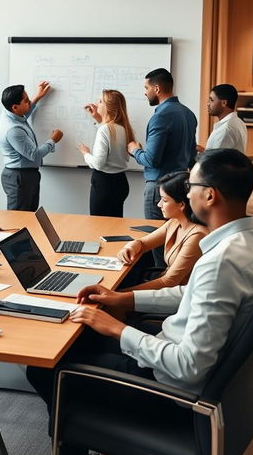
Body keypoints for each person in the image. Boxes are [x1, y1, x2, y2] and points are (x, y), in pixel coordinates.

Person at [26, 148, 253, 455]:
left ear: (210, 195)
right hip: (214, 379)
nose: (187, 193)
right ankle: (94, 427)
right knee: (83, 337)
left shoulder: (220, 262)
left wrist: (116, 328)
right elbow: (191, 296)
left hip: (172, 390)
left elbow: (189, 366)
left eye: (191, 184)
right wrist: (122, 299)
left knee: (47, 369)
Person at [127, 68, 197, 264]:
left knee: (158, 244)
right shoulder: (188, 114)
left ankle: (159, 283)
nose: (144, 92)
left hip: (160, 188)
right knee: (176, 241)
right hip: (182, 186)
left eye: (146, 87)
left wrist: (134, 150)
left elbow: (151, 160)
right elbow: (192, 156)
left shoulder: (161, 116)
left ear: (157, 88)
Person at [117, 171, 207, 291]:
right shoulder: (175, 222)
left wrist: (120, 295)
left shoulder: (197, 235)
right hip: (164, 286)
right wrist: (129, 247)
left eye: (164, 200)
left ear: (181, 204)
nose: (159, 205)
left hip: (177, 296)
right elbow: (143, 243)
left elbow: (169, 282)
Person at [0, 81, 63, 211]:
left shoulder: (9, 113)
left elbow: (24, 114)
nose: (29, 102)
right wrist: (52, 140)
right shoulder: (13, 130)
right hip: (19, 177)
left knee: (29, 216)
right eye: (26, 100)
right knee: (19, 219)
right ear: (15, 107)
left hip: (26, 175)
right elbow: (34, 154)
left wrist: (37, 97)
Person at [78, 89, 134, 217]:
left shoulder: (104, 130)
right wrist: (99, 120)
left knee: (98, 226)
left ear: (108, 107)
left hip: (104, 184)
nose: (97, 104)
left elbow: (98, 164)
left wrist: (85, 153)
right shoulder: (123, 128)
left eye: (100, 101)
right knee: (114, 226)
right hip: (120, 182)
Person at [198, 83, 247, 153]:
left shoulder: (226, 129)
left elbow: (215, 160)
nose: (208, 104)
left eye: (211, 100)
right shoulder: (238, 122)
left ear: (224, 103)